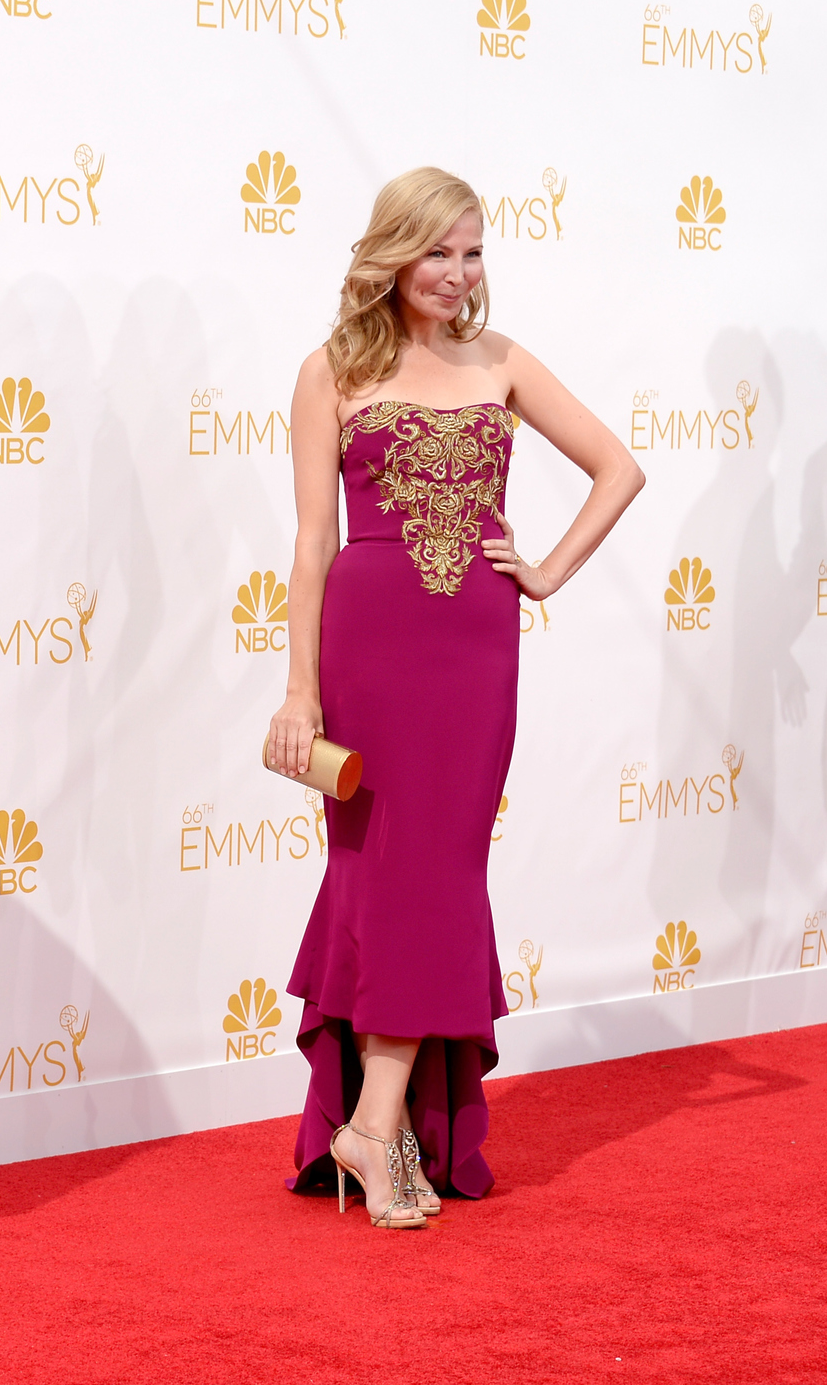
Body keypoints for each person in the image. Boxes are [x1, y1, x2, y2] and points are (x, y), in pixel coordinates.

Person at [266, 167, 643, 1229]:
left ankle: (369, 1126)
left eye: (472, 252)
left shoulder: (502, 361)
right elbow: (310, 543)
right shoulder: (330, 370)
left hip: (474, 646)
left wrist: (546, 569)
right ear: (389, 256)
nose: (455, 273)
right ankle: (377, 1129)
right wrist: (299, 690)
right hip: (369, 643)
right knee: (377, 872)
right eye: (435, 252)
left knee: (437, 873)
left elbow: (616, 467)